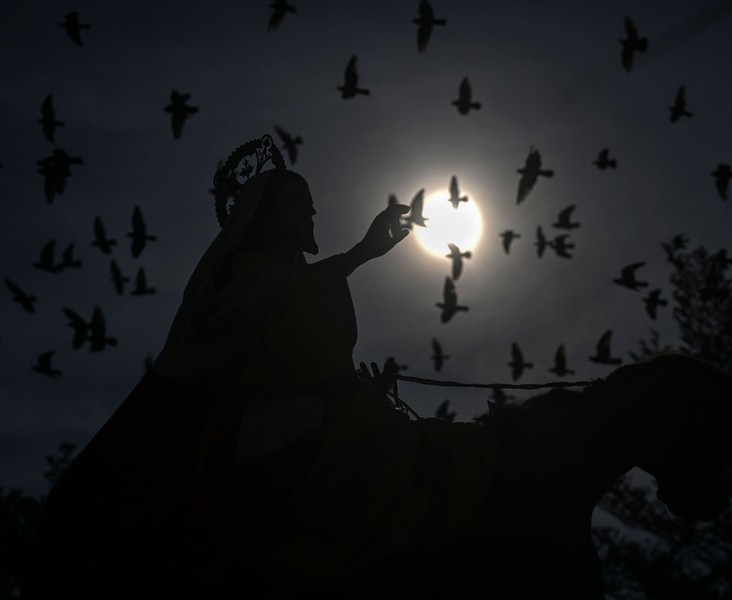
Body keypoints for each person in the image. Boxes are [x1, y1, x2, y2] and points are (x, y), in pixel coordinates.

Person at [27, 151, 497, 598]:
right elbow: (268, 331)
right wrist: (360, 254)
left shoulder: (291, 280)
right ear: (262, 216)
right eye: (297, 203)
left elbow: (311, 355)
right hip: (249, 437)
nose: (311, 213)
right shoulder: (236, 282)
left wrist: (359, 387)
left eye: (311, 205)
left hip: (316, 419)